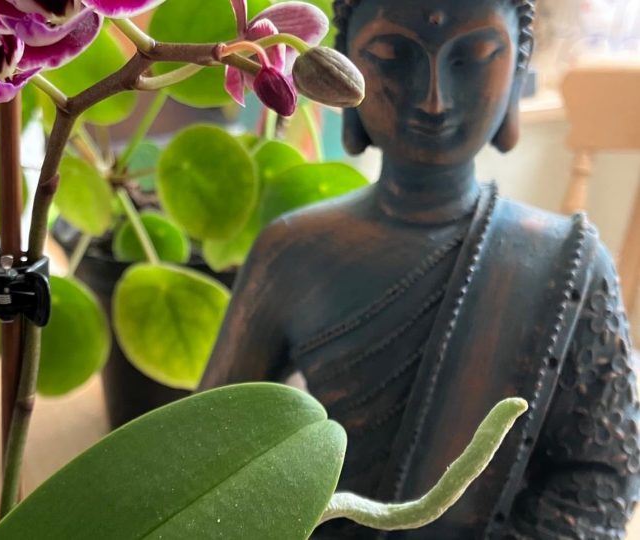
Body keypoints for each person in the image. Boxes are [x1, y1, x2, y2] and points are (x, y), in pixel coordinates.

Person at [199, 0, 640, 537]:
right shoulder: (291, 252)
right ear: (339, 68)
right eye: (391, 56)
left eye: (473, 57)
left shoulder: (567, 264)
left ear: (518, 68)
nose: (434, 99)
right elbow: (204, 453)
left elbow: (604, 476)